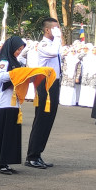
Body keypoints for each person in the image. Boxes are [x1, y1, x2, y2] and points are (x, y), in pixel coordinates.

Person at [25, 17, 63, 169]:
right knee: (41, 120)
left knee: (48, 120)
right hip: (45, 84)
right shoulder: (43, 45)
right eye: (55, 28)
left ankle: (38, 153)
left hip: (53, 84)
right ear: (47, 30)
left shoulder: (53, 44)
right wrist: (59, 37)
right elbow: (54, 53)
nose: (58, 31)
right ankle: (32, 156)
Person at [0, 36, 27, 175]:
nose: (19, 52)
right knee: (3, 133)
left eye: (21, 50)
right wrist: (18, 73)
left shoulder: (15, 61)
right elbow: (0, 77)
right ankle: (0, 163)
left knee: (11, 134)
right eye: (18, 49)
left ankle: (7, 161)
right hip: (3, 102)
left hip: (13, 102)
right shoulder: (4, 61)